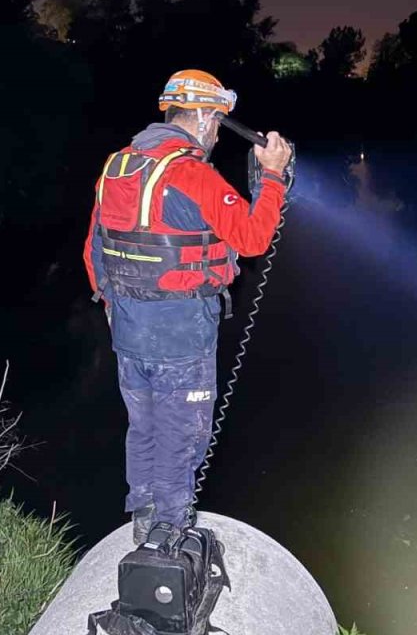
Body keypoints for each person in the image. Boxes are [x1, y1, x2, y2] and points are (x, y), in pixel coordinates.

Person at [83, 69, 293, 542]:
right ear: (198, 116)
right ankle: (168, 535)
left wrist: (117, 307)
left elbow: (94, 250)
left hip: (129, 329)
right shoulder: (191, 174)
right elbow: (253, 237)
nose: (217, 131)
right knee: (183, 436)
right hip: (180, 334)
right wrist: (274, 177)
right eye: (216, 121)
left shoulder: (117, 165)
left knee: (145, 427)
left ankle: (143, 516)